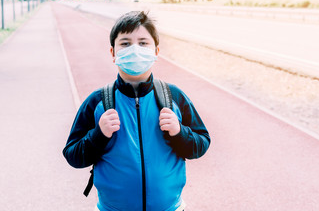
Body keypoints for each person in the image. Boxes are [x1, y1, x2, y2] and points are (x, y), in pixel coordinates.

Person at [63, 11, 211, 211]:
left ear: (156, 51)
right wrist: (99, 135)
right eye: (125, 43)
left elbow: (201, 143)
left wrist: (179, 132)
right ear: (113, 53)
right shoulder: (98, 102)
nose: (135, 49)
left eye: (143, 43)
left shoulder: (173, 97)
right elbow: (73, 155)